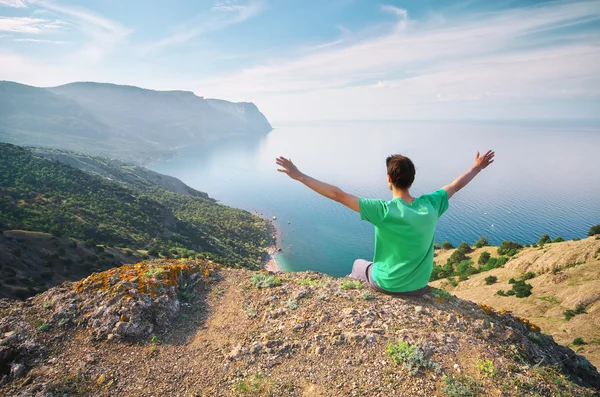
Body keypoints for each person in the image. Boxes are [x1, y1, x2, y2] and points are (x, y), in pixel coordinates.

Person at [275, 150, 495, 296]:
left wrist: (300, 176)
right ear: (412, 179)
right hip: (418, 287)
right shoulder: (431, 204)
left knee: (358, 265)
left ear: (389, 179)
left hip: (387, 284)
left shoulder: (382, 211)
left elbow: (337, 195)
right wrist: (477, 167)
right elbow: (456, 186)